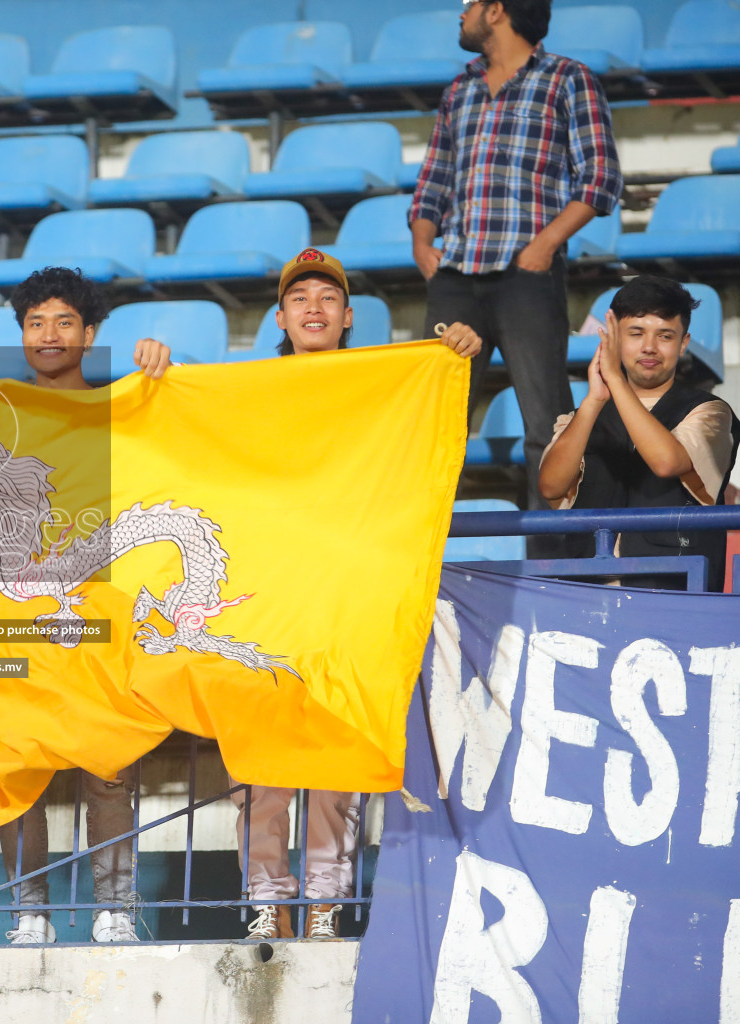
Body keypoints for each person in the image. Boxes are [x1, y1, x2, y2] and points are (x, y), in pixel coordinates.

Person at [240, 249, 482, 941]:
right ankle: (267, 901)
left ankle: (323, 904)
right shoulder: (247, 389)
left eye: (327, 298)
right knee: (261, 760)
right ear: (280, 317)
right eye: (299, 298)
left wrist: (458, 357)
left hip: (347, 596)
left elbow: (432, 436)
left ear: (348, 317)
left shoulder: (382, 383)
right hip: (267, 597)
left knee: (334, 754)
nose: (313, 308)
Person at [0, 266, 171, 945]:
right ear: (22, 334)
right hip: (16, 619)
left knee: (108, 767)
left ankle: (114, 908)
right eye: (36, 323)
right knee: (21, 769)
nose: (50, 334)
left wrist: (165, 378)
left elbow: (182, 458)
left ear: (90, 333)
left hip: (97, 615)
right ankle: (29, 914)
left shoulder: (124, 406)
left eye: (64, 322)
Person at [410, 0, 622, 545]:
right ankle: (423, 550)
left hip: (527, 275)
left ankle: (553, 562)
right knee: (437, 425)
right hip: (456, 275)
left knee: (545, 424)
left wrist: (546, 244)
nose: (461, 13)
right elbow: (434, 177)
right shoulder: (458, 91)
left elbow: (600, 178)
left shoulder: (568, 79)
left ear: (497, 10)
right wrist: (422, 242)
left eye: (469, 4)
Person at [540, 276, 739, 591]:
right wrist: (593, 401)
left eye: (665, 335)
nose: (650, 347)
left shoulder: (711, 411)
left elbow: (666, 462)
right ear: (615, 339)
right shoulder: (581, 417)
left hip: (675, 590)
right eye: (636, 333)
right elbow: (550, 487)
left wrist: (616, 381)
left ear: (683, 343)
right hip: (586, 591)